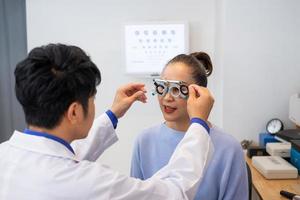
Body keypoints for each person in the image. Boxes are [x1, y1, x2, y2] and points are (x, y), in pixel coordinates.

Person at [0, 44, 215, 200]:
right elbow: (175, 192)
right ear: (74, 111)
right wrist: (198, 125)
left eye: (178, 89)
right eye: (92, 98)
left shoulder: (6, 155)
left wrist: (113, 114)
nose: (168, 96)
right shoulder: (91, 183)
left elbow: (64, 154)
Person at [131, 52, 248, 200]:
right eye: (162, 87)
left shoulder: (228, 148)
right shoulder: (144, 141)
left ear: (198, 94)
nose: (167, 98)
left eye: (176, 89)